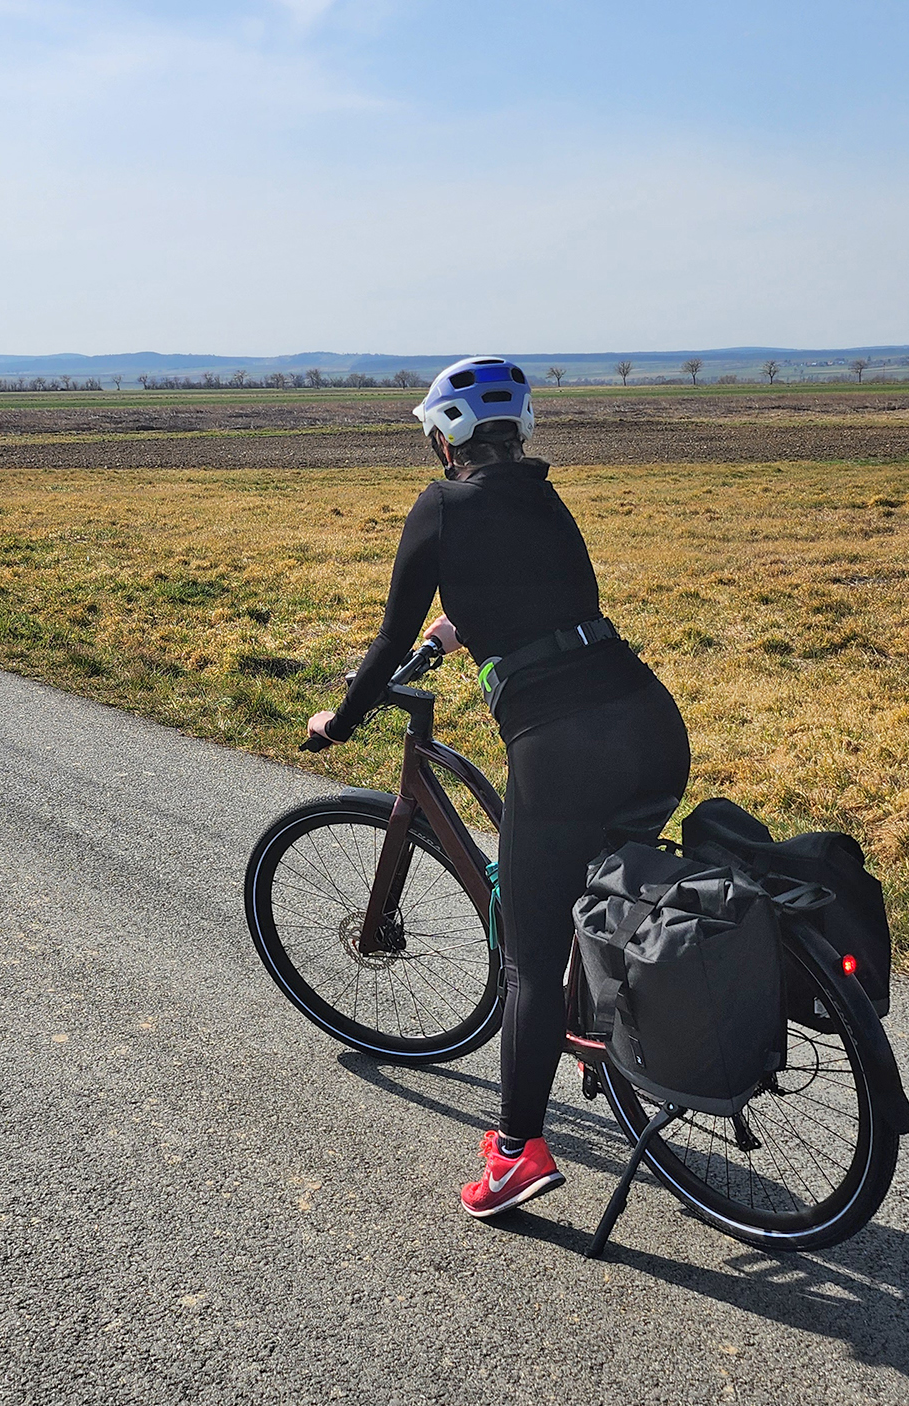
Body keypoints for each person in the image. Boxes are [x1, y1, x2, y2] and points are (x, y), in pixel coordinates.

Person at [305, 356, 691, 1219]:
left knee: (526, 953)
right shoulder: (546, 499)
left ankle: (517, 1153)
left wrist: (341, 719)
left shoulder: (442, 506)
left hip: (565, 750)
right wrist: (456, 632)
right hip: (651, 727)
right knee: (600, 888)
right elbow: (543, 601)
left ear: (449, 440)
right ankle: (619, 1020)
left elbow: (382, 644)